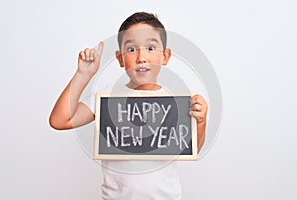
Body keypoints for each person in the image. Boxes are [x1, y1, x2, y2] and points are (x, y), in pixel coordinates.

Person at [49, 12, 208, 200]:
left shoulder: (176, 101)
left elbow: (189, 148)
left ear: (165, 56)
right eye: (131, 49)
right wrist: (83, 75)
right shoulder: (106, 99)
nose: (141, 57)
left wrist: (200, 122)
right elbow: (60, 121)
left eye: (150, 47)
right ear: (120, 58)